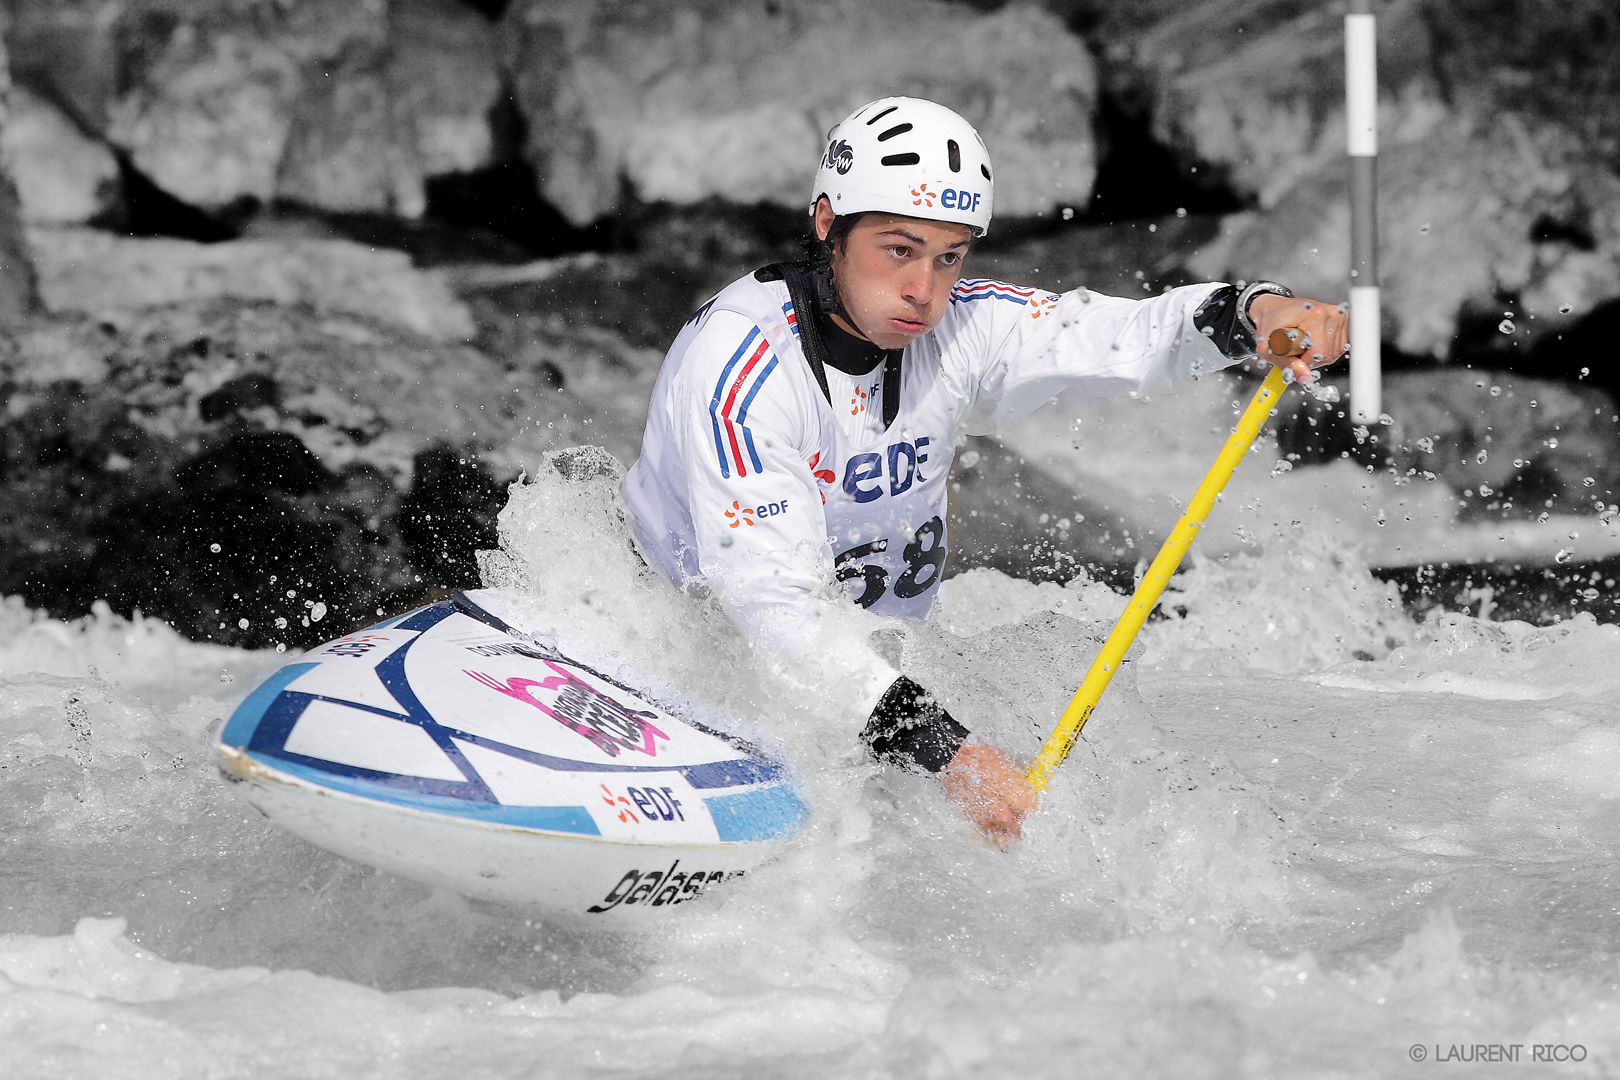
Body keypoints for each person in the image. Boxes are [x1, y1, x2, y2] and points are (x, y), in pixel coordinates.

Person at [623, 97, 1347, 847]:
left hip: (873, 697)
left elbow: (1107, 336)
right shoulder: (743, 364)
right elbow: (774, 612)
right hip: (685, 665)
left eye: (949, 256)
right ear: (827, 224)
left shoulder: (964, 325)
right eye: (898, 251)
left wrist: (1253, 310)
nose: (925, 291)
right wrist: (950, 753)